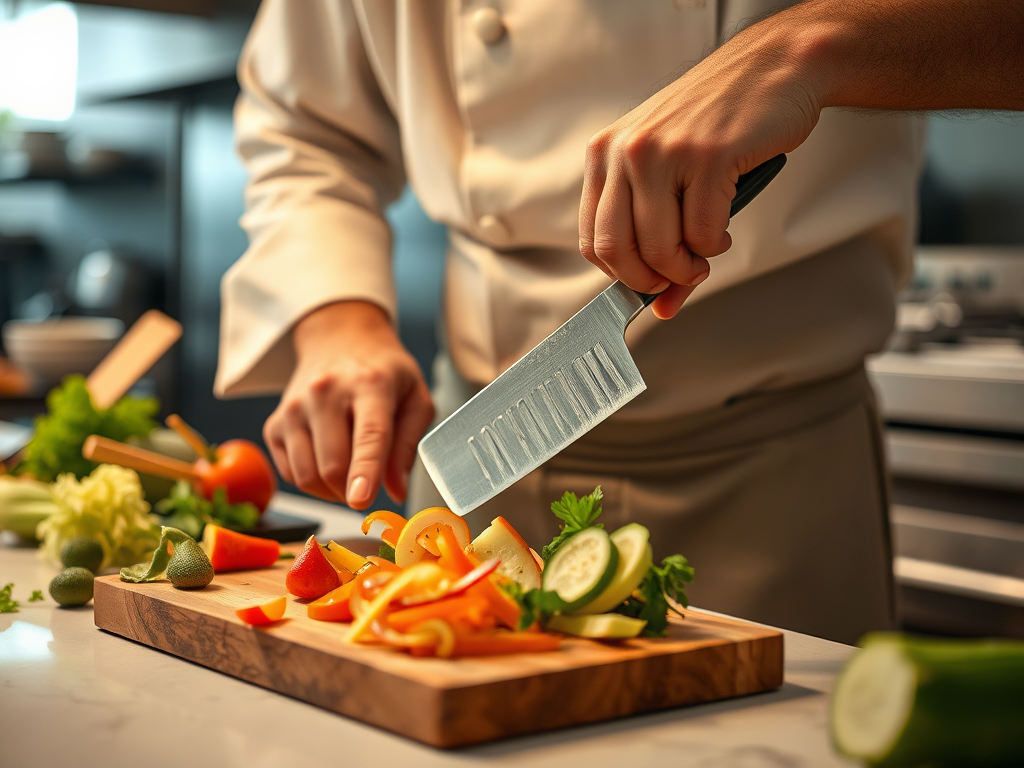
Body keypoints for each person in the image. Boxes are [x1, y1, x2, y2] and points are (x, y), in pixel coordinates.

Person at [215, 0, 1018, 644]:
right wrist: (336, 317)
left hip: (775, 491)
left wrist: (813, 41)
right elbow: (302, 126)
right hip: (481, 477)